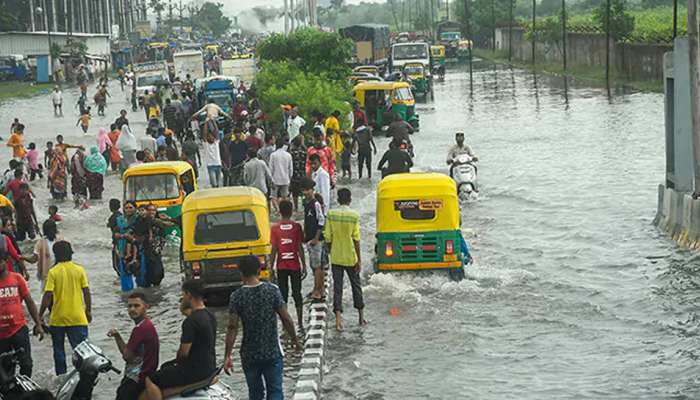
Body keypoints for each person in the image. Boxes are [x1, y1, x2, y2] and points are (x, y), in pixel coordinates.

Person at [224, 256, 301, 400]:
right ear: (259, 270)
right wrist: (295, 340)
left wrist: (227, 355)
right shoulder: (272, 291)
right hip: (271, 351)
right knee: (275, 391)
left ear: (241, 273)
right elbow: (286, 318)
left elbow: (232, 327)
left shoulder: (236, 296)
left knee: (255, 393)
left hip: (249, 354)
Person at [144, 280, 217, 400]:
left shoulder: (190, 321)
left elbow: (183, 353)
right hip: (209, 366)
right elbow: (190, 315)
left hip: (195, 370)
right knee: (166, 368)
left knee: (151, 379)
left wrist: (177, 362)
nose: (182, 297)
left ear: (188, 294)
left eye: (183, 294)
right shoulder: (210, 315)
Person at [39, 241, 91, 376]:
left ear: (56, 255)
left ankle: (61, 378)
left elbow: (48, 295)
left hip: (58, 318)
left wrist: (39, 316)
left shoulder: (53, 271)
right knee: (82, 351)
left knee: (59, 352)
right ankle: (83, 377)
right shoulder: (79, 270)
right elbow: (86, 291)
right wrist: (88, 310)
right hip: (77, 317)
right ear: (70, 254)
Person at [324, 188, 366, 331]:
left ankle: (338, 320)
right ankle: (361, 317)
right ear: (350, 199)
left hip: (336, 257)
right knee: (356, 286)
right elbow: (356, 239)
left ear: (337, 199)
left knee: (337, 288)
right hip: (351, 257)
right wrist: (359, 260)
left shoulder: (331, 214)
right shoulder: (354, 216)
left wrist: (331, 251)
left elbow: (328, 237)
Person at [0, 249, 45, 378]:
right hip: (1, 334)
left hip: (18, 328)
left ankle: (25, 393)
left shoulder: (17, 278)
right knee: (5, 370)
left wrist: (38, 324)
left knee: (27, 364)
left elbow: (29, 302)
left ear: (6, 261)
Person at [108, 292, 160, 400]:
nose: (132, 309)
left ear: (146, 307)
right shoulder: (147, 324)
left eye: (136, 306)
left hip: (137, 378)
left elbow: (126, 356)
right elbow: (130, 353)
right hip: (147, 375)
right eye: (129, 306)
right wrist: (117, 336)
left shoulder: (140, 329)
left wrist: (118, 338)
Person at [270, 200, 306, 328]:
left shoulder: (274, 228)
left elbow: (274, 249)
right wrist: (304, 265)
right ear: (291, 212)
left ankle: (286, 323)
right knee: (297, 293)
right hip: (295, 265)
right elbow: (299, 247)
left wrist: (270, 267)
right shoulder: (297, 227)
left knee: (283, 294)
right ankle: (300, 322)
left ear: (279, 212)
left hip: (281, 266)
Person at [301, 177, 326, 302]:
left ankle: (317, 291)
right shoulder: (306, 204)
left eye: (308, 190)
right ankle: (319, 289)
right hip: (310, 239)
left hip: (316, 240)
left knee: (316, 266)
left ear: (312, 190)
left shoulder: (315, 204)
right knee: (316, 266)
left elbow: (321, 220)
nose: (306, 192)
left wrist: (316, 238)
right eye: (304, 190)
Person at [22, 219, 60, 290]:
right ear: (45, 231)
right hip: (46, 275)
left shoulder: (60, 241)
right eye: (49, 230)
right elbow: (34, 259)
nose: (51, 231)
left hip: (60, 275)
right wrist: (23, 257)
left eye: (53, 229)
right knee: (47, 295)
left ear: (55, 229)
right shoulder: (40, 243)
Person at [269, 139, 293, 213]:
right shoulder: (288, 155)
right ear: (283, 146)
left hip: (275, 179)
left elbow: (271, 168)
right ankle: (284, 210)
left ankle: (277, 210)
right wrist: (289, 177)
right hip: (285, 179)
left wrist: (271, 179)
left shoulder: (273, 155)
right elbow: (290, 169)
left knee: (273, 196)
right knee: (285, 197)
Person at [289, 135, 307, 211]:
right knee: (304, 192)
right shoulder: (304, 152)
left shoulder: (291, 153)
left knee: (295, 193)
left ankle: (296, 207)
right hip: (303, 175)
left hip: (294, 175)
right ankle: (304, 206)